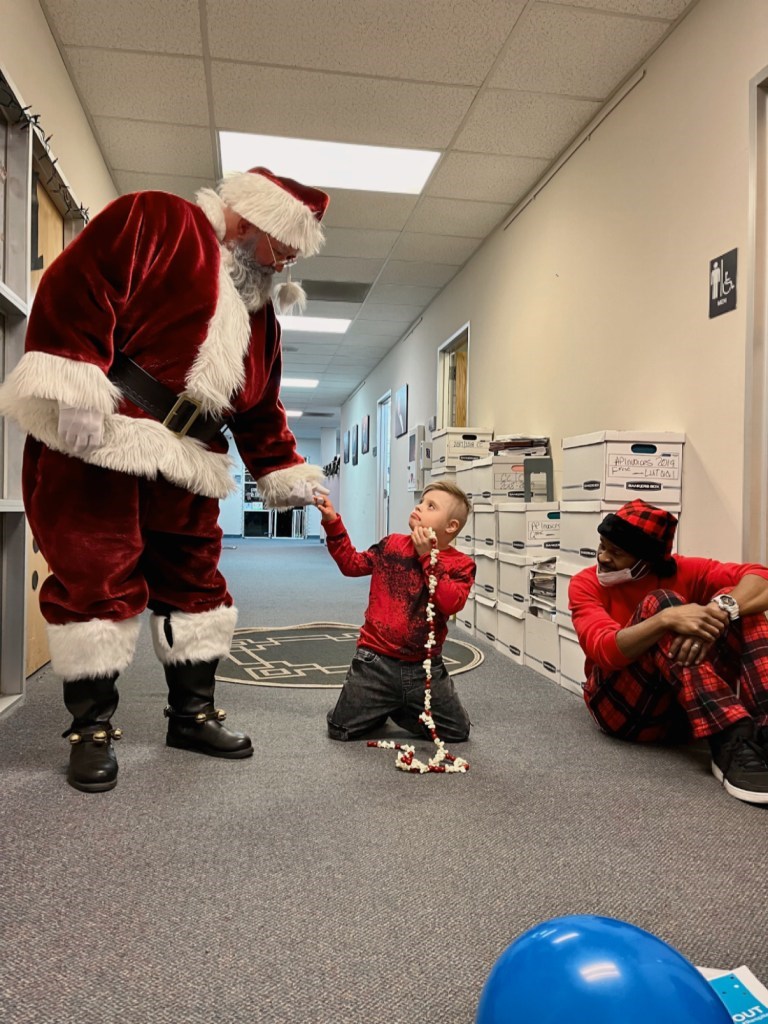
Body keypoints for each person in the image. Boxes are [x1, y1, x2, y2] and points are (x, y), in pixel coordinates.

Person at [0, 166, 331, 793]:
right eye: (287, 241)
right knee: (97, 578)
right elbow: (81, 281)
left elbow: (260, 408)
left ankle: (192, 716)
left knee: (197, 582)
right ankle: (91, 732)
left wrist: (281, 469)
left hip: (193, 458)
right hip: (105, 436)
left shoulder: (263, 318)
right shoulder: (158, 220)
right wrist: (74, 377)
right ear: (252, 216)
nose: (289, 261)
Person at [568, 499, 768, 805]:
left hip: (686, 710)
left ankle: (759, 735)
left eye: (617, 552)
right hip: (619, 709)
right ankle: (733, 735)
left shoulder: (686, 569)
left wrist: (721, 610)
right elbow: (603, 650)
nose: (602, 557)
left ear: (646, 561)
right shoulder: (585, 583)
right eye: (602, 545)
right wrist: (665, 620)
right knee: (660, 602)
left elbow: (760, 577)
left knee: (741, 607)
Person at [315, 482, 475, 743]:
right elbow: (351, 564)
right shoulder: (391, 545)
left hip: (424, 668)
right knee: (340, 729)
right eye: (422, 502)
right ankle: (389, 705)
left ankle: (397, 706)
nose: (420, 507)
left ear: (451, 527)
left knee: (457, 732)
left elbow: (450, 602)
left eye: (431, 506)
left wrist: (428, 556)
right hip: (374, 661)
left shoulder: (461, 565)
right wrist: (332, 521)